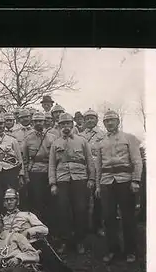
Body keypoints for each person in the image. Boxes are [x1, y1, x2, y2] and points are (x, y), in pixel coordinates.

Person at [1, 188, 77, 272]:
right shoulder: (1, 220)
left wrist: (28, 232)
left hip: (31, 243)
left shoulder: (27, 215)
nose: (9, 202)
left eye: (12, 199)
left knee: (44, 252)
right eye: (7, 200)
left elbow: (44, 229)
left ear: (17, 201)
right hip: (13, 248)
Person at [96, 110, 142, 263]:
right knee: (108, 217)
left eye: (112, 120)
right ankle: (113, 250)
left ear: (118, 122)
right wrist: (98, 186)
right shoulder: (101, 142)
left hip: (125, 181)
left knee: (128, 217)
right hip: (106, 182)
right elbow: (99, 167)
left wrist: (136, 180)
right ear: (104, 124)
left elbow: (137, 161)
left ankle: (131, 251)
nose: (109, 123)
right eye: (107, 121)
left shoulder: (129, 138)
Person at [48, 112, 96, 255]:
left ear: (72, 124)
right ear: (59, 126)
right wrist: (53, 183)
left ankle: (80, 241)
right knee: (63, 210)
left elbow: (90, 161)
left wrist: (91, 179)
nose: (66, 127)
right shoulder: (55, 143)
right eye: (63, 124)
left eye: (68, 123)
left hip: (80, 178)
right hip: (62, 179)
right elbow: (51, 165)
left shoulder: (82, 141)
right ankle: (65, 241)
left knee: (80, 209)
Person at [22, 112, 57, 226]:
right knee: (37, 201)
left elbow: (56, 158)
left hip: (49, 172)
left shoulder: (52, 138)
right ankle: (37, 226)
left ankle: (51, 227)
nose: (38, 123)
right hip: (35, 173)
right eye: (36, 121)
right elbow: (25, 160)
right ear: (32, 123)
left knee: (51, 201)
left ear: (45, 122)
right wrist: (26, 176)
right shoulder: (28, 139)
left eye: (40, 121)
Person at [77, 109, 106, 236]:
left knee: (98, 199)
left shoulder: (102, 135)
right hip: (83, 170)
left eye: (92, 118)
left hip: (98, 169)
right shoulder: (79, 135)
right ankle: (83, 227)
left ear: (97, 120)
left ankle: (98, 226)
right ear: (84, 120)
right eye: (87, 118)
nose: (89, 120)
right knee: (82, 200)